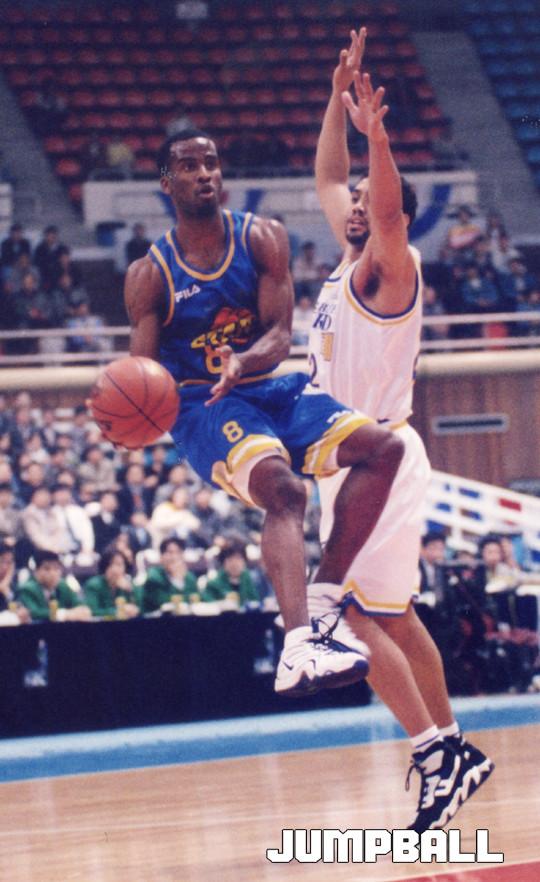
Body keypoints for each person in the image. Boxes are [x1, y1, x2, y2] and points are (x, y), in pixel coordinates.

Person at [123, 126, 405, 698]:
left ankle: (322, 594)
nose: (205, 173)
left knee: (385, 448)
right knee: (286, 491)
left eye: (211, 162)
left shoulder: (262, 238)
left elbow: (279, 335)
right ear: (166, 183)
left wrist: (244, 361)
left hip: (268, 385)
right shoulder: (150, 275)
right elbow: (145, 377)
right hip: (203, 405)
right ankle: (297, 648)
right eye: (190, 166)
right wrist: (128, 413)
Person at [307, 27, 494, 832]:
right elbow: (328, 176)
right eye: (353, 201)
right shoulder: (345, 264)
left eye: (368, 201)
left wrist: (378, 137)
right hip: (349, 464)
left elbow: (381, 202)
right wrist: (336, 99)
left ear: (396, 221)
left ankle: (435, 752)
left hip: (376, 458)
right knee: (391, 616)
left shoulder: (393, 268)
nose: (353, 204)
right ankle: (456, 749)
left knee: (343, 614)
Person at [18, 549, 92, 622]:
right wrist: (64, 615)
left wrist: (82, 611)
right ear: (36, 571)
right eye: (47, 569)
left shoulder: (63, 586)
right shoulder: (27, 589)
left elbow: (80, 606)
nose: (53, 573)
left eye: (56, 568)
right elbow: (33, 613)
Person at [140, 536, 199, 613]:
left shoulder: (190, 577)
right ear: (161, 557)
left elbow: (196, 600)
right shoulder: (154, 576)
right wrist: (176, 579)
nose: (175, 557)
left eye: (179, 552)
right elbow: (163, 602)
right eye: (170, 552)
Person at [83, 547, 140, 619]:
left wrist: (130, 589)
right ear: (104, 567)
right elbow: (92, 611)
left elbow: (142, 607)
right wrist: (119, 611)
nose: (114, 569)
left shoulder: (128, 583)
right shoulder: (93, 585)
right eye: (110, 565)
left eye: (119, 565)